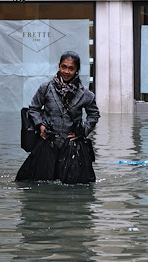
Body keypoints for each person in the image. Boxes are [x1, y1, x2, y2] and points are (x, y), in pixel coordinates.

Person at [15, 51, 100, 184]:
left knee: (79, 185)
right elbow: (33, 109)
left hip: (72, 143)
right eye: (64, 67)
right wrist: (41, 126)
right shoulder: (46, 88)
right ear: (59, 66)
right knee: (34, 182)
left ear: (77, 70)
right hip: (48, 141)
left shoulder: (86, 94)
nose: (66, 71)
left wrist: (83, 130)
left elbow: (94, 115)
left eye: (71, 68)